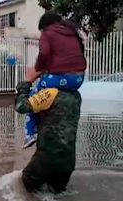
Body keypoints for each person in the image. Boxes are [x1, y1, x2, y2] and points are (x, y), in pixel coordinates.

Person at [23, 12, 87, 149]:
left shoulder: (48, 33)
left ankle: (30, 133)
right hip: (78, 79)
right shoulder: (73, 33)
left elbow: (44, 53)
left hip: (62, 78)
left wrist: (37, 70)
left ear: (45, 26)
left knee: (34, 94)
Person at [15, 67, 82, 194]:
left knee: (26, 187)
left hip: (46, 160)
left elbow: (21, 106)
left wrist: (27, 81)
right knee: (57, 195)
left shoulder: (50, 94)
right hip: (68, 163)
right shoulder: (76, 96)